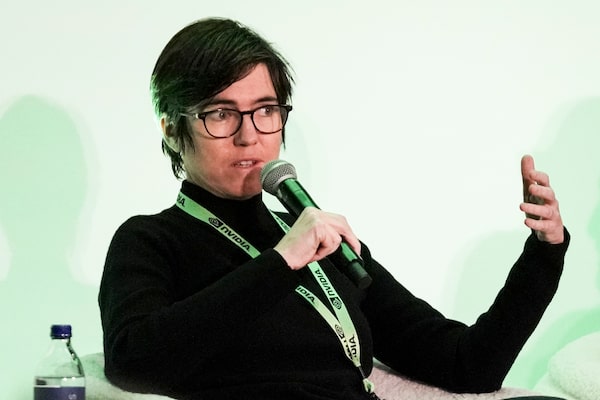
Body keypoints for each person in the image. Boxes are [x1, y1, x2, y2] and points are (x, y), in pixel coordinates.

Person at [98, 17, 569, 400]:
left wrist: (544, 253)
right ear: (171, 129)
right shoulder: (151, 240)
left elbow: (468, 365)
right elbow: (133, 362)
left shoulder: (320, 239)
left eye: (266, 110)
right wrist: (281, 262)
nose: (249, 135)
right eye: (220, 114)